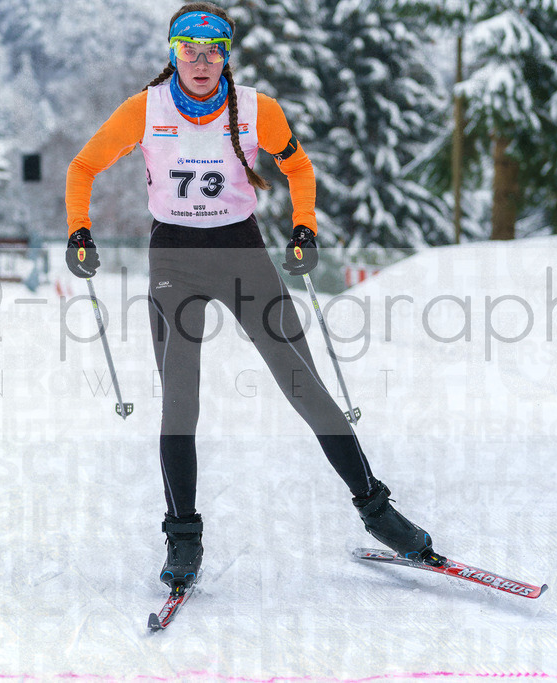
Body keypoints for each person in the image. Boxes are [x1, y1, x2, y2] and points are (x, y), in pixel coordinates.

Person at [64, 2, 438, 593]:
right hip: (175, 261)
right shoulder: (145, 110)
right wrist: (79, 230)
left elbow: (300, 169)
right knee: (180, 401)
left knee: (306, 387)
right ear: (172, 52)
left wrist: (305, 226)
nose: (202, 61)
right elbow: (83, 167)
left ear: (228, 55)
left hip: (243, 254)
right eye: (190, 48)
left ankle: (378, 510)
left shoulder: (257, 110)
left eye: (214, 50)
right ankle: (183, 535)